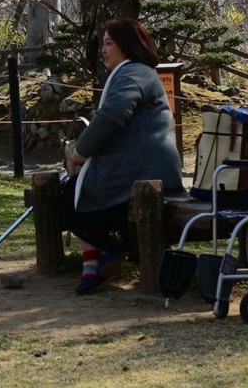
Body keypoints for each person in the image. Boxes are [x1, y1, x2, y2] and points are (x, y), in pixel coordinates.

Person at [59, 18, 184, 294]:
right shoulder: (137, 73)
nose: (103, 50)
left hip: (143, 168)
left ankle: (110, 251)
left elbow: (112, 116)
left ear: (126, 45)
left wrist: (80, 152)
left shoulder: (134, 73)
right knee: (74, 192)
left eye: (108, 43)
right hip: (138, 165)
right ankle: (97, 261)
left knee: (70, 197)